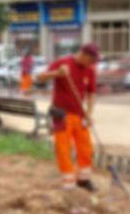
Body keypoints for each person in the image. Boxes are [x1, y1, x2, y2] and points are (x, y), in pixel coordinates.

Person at [36, 43, 99, 191]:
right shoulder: (63, 63)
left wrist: (89, 114)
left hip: (79, 115)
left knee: (86, 147)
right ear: (84, 54)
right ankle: (69, 182)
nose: (91, 64)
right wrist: (57, 73)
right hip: (61, 115)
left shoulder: (89, 70)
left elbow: (91, 94)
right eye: (91, 60)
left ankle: (84, 179)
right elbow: (39, 78)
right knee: (63, 148)